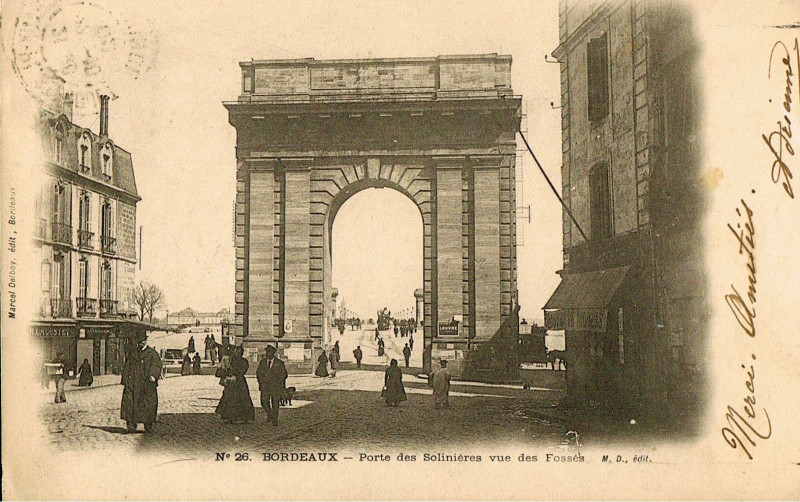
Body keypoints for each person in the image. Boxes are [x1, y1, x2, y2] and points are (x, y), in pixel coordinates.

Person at [120, 332, 162, 432]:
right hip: (133, 383)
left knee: (148, 404)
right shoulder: (133, 353)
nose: (141, 343)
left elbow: (156, 365)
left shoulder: (152, 354)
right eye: (139, 342)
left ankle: (148, 424)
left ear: (146, 341)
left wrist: (153, 375)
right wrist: (125, 379)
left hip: (146, 383)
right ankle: (131, 426)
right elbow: (127, 366)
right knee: (130, 403)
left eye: (143, 341)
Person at [215, 345, 255, 423]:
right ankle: (230, 417)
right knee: (229, 399)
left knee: (242, 398)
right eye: (236, 351)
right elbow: (225, 368)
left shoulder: (244, 361)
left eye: (239, 352)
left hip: (240, 382)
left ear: (242, 353)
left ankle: (244, 417)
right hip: (232, 382)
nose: (237, 353)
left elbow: (243, 370)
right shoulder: (230, 360)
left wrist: (233, 373)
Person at [256, 345, 287, 426]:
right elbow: (258, 373)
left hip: (275, 387)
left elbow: (284, 375)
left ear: (273, 353)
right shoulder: (262, 362)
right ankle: (270, 414)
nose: (267, 354)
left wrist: (279, 384)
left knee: (275, 403)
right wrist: (261, 382)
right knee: (264, 402)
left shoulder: (279, 363)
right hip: (265, 386)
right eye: (267, 352)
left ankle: (275, 420)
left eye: (269, 352)